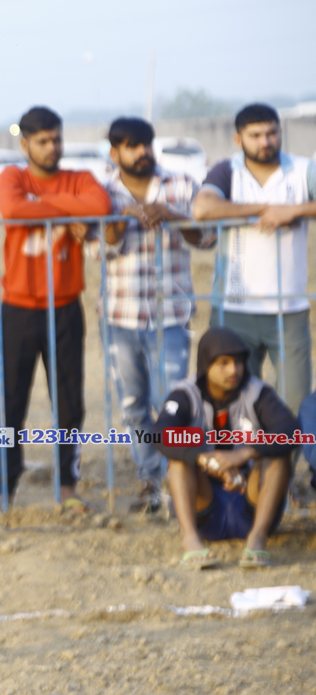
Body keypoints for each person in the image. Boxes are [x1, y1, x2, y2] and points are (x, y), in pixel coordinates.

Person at [0, 106, 111, 511]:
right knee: (11, 402)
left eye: (57, 139)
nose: (52, 147)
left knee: (69, 402)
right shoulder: (12, 178)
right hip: (18, 308)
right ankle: (5, 490)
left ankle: (67, 486)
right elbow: (12, 208)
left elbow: (100, 204)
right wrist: (71, 208)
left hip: (65, 308)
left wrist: (44, 203)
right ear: (25, 144)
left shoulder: (80, 178)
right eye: (43, 141)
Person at [102, 117, 214, 513]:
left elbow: (207, 237)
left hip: (171, 315)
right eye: (132, 146)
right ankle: (150, 479)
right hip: (120, 314)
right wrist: (124, 216)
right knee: (133, 406)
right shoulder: (104, 192)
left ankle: (178, 481)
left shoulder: (180, 185)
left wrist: (170, 213)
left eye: (146, 144)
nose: (142, 152)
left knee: (171, 403)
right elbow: (99, 249)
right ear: (115, 152)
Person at [193, 103, 316, 413]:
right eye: (256, 135)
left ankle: (285, 448)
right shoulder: (227, 171)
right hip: (234, 307)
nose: (266, 141)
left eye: (272, 133)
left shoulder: (303, 169)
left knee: (295, 403)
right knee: (232, 403)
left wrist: (295, 210)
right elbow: (203, 209)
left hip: (289, 308)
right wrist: (266, 209)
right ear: (238, 139)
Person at [152, 327, 298, 568]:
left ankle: (257, 539)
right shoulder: (185, 394)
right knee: (179, 459)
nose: (234, 370)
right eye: (224, 363)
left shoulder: (257, 392)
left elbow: (291, 430)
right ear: (205, 365)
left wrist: (244, 454)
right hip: (204, 506)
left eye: (238, 362)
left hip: (251, 501)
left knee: (278, 455)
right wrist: (206, 460)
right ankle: (190, 539)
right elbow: (160, 433)